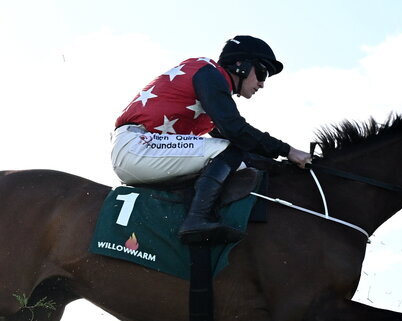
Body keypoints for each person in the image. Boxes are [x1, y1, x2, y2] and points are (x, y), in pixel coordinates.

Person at [112, 35, 312, 244]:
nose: (262, 84)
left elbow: (239, 141)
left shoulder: (210, 84)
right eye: (261, 73)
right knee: (229, 151)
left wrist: (279, 163)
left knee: (234, 154)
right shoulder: (210, 73)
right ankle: (197, 220)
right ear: (240, 65)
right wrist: (289, 150)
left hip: (140, 149)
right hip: (138, 146)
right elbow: (235, 130)